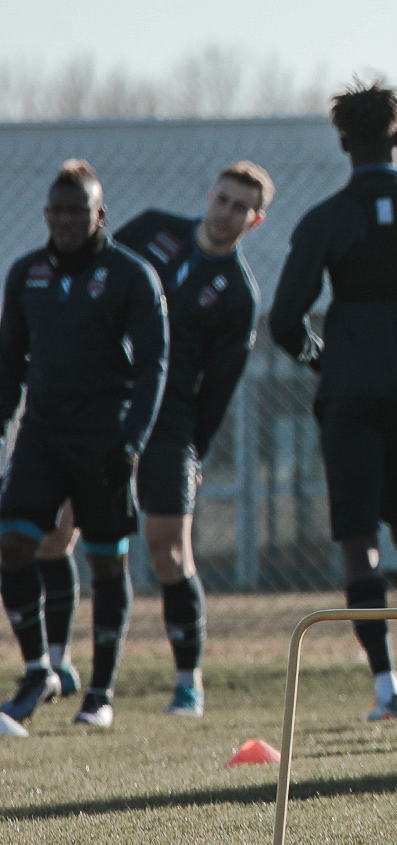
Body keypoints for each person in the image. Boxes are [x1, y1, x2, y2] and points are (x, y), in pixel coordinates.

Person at [30, 163, 273, 716]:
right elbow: (95, 277)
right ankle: (57, 660)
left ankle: (189, 681)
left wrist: (193, 451)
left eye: (241, 207)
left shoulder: (238, 294)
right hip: (100, 408)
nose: (227, 212)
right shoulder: (153, 231)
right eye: (223, 198)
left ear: (254, 221)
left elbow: (219, 390)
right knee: (54, 534)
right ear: (209, 195)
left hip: (170, 424)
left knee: (169, 550)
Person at [270, 82, 397, 722]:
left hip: (349, 388)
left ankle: (388, 688)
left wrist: (322, 358)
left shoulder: (325, 220)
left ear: (342, 143)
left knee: (359, 537)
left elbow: (283, 319)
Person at [0, 161, 168, 730]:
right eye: (57, 211)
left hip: (104, 438)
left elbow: (154, 367)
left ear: (100, 214)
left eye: (79, 211)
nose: (67, 220)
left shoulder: (132, 275)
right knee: (13, 544)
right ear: (46, 215)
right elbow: (8, 365)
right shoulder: (26, 275)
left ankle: (100, 692)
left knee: (106, 562)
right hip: (42, 435)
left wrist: (132, 442)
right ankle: (37, 670)